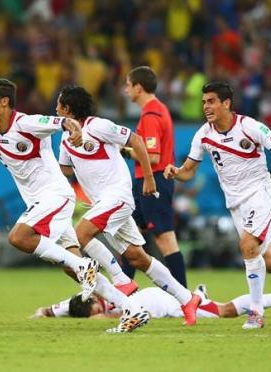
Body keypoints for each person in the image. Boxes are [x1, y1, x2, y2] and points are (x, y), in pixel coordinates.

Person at [0, 78, 150, 333]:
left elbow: (59, 122)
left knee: (19, 237)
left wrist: (72, 126)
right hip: (42, 202)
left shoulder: (26, 123)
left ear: (4, 101)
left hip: (56, 196)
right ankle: (132, 310)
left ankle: (85, 266)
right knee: (70, 268)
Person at [163, 81, 271, 330]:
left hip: (261, 194)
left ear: (226, 103)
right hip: (236, 205)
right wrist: (176, 172)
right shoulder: (203, 134)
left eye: (211, 101)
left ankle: (257, 313)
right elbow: (188, 172)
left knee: (247, 246)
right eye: (204, 102)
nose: (206, 106)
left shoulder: (249, 126)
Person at [55, 85, 201, 325]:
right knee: (137, 257)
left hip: (117, 196)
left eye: (59, 105)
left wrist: (149, 178)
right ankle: (187, 299)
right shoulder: (64, 137)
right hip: (102, 202)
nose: (56, 109)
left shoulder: (99, 126)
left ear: (68, 109)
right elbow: (65, 169)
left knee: (79, 235)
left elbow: (137, 140)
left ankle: (119, 279)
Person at [123, 66, 187, 287]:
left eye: (128, 85)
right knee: (131, 236)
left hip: (154, 180)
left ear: (138, 88)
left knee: (165, 239)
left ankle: (184, 298)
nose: (125, 90)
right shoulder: (159, 109)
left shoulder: (151, 115)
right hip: (147, 181)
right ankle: (123, 292)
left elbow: (152, 156)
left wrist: (124, 150)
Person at [31, 283, 271, 320]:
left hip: (162, 303)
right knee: (221, 308)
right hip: (158, 299)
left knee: (224, 311)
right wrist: (44, 312)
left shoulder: (106, 294)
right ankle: (197, 295)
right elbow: (62, 307)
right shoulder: (88, 300)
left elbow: (130, 284)